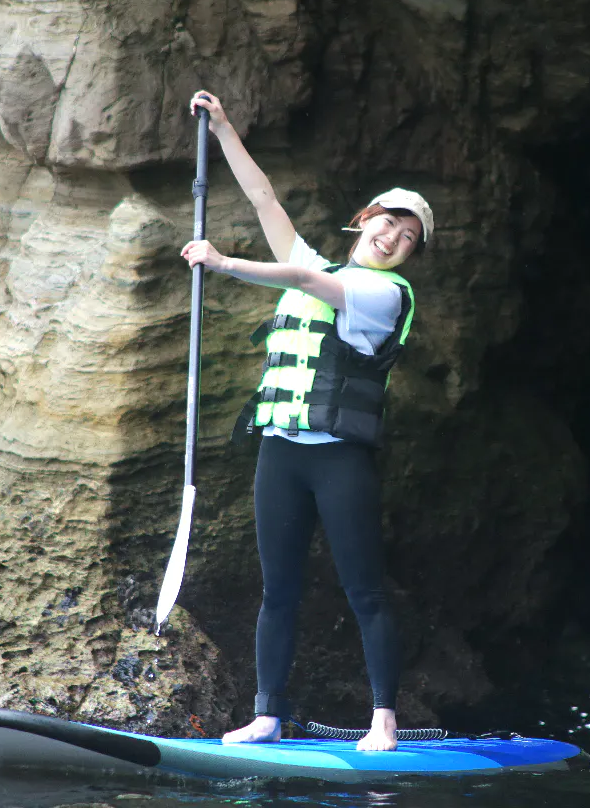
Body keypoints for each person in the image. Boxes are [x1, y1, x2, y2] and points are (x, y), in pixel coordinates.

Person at [182, 90, 433, 752]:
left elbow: (304, 280)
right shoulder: (325, 262)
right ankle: (267, 713)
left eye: (409, 238)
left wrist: (223, 262)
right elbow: (265, 199)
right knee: (278, 592)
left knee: (365, 592)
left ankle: (384, 718)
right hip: (281, 455)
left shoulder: (383, 293)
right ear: (365, 219)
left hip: (338, 463)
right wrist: (225, 128)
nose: (395, 238)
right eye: (390, 223)